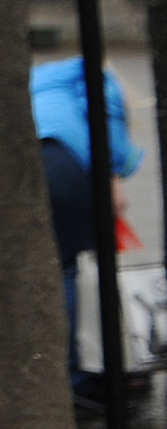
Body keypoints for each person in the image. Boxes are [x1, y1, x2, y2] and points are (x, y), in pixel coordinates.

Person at [31, 54, 144, 407]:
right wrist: (111, 173)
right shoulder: (92, 72)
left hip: (30, 160)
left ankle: (50, 370)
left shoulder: (40, 80)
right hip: (66, 165)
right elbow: (104, 114)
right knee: (65, 267)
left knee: (45, 266)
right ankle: (75, 377)